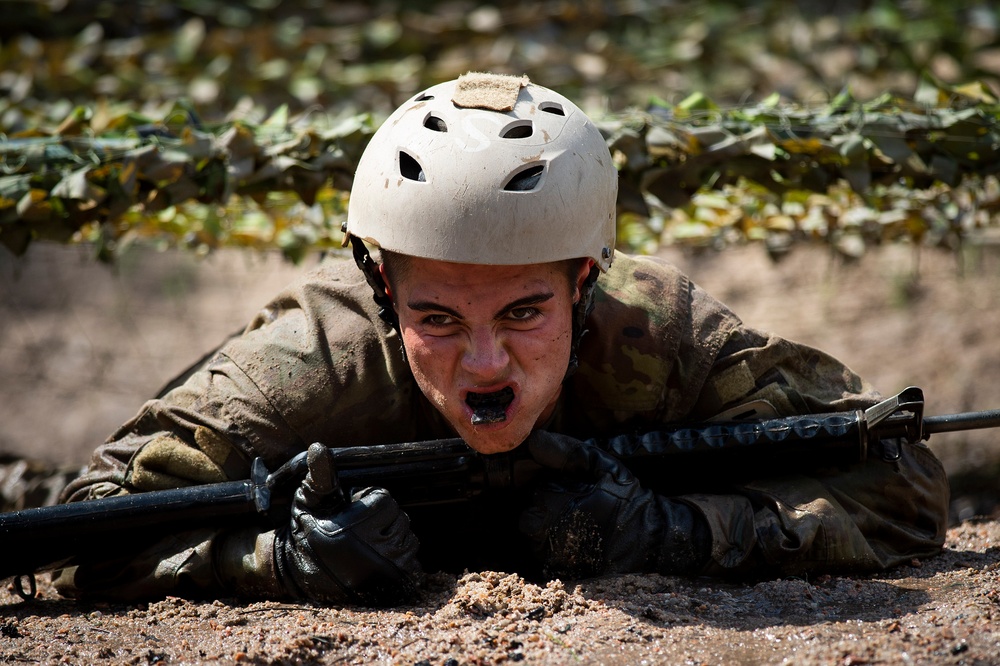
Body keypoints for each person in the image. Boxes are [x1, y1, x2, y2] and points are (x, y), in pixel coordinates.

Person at [54, 72, 949, 604]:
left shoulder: (659, 333)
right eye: (436, 319)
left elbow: (903, 484)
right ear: (380, 287)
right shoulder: (312, 364)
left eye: (524, 313)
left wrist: (675, 535)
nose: (485, 365)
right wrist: (276, 559)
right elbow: (82, 526)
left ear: (585, 281)